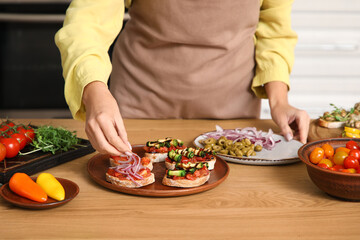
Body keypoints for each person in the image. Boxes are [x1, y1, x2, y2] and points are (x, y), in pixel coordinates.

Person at [55, 0, 310, 156]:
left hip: (232, 106)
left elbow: (274, 31)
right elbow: (86, 23)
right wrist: (94, 89)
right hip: (139, 99)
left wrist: (279, 100)